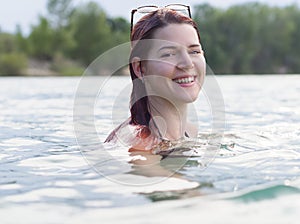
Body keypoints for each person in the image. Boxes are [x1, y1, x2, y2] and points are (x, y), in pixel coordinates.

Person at [105, 4, 206, 153]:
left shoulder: (191, 132)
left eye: (194, 51)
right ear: (139, 68)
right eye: (168, 54)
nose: (187, 63)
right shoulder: (140, 145)